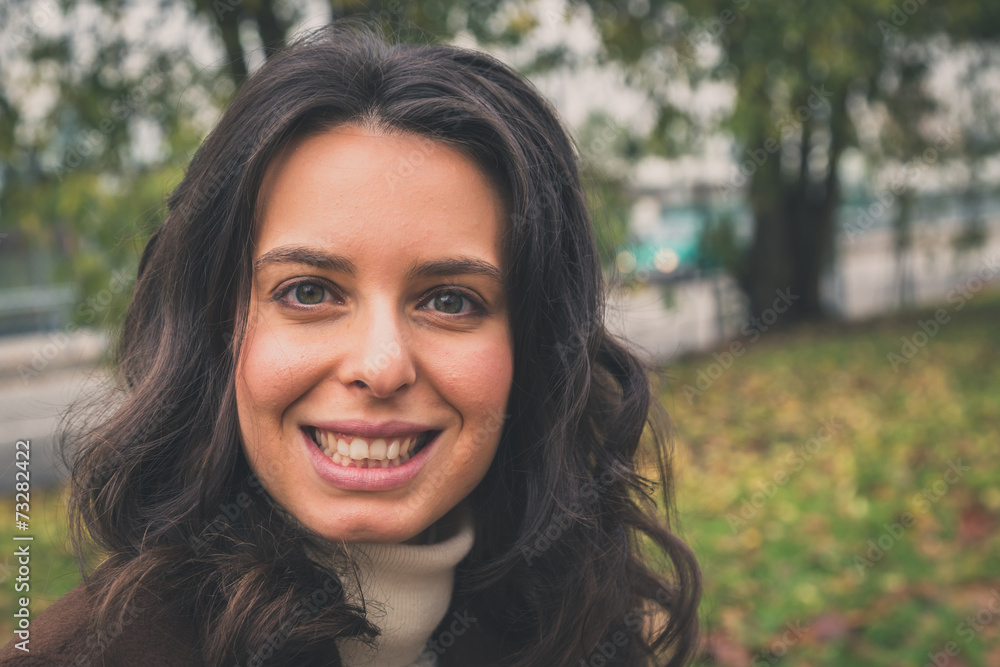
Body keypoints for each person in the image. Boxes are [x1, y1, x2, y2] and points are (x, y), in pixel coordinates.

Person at [0, 20, 700, 666]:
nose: (381, 365)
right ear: (210, 328)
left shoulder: (583, 625)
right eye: (308, 291)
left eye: (450, 300)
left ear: (534, 346)